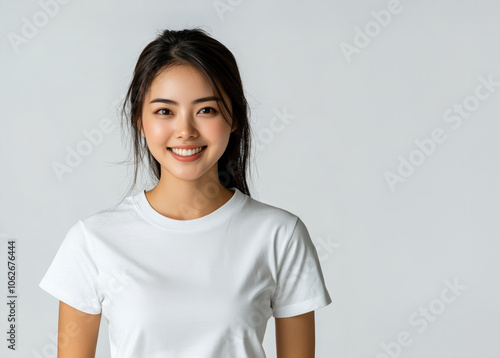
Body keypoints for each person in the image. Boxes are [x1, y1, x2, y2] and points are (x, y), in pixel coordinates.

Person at [39, 27, 332, 358]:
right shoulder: (92, 241)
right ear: (140, 119)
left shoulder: (280, 235)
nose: (185, 131)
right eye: (165, 111)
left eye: (206, 110)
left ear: (233, 116)